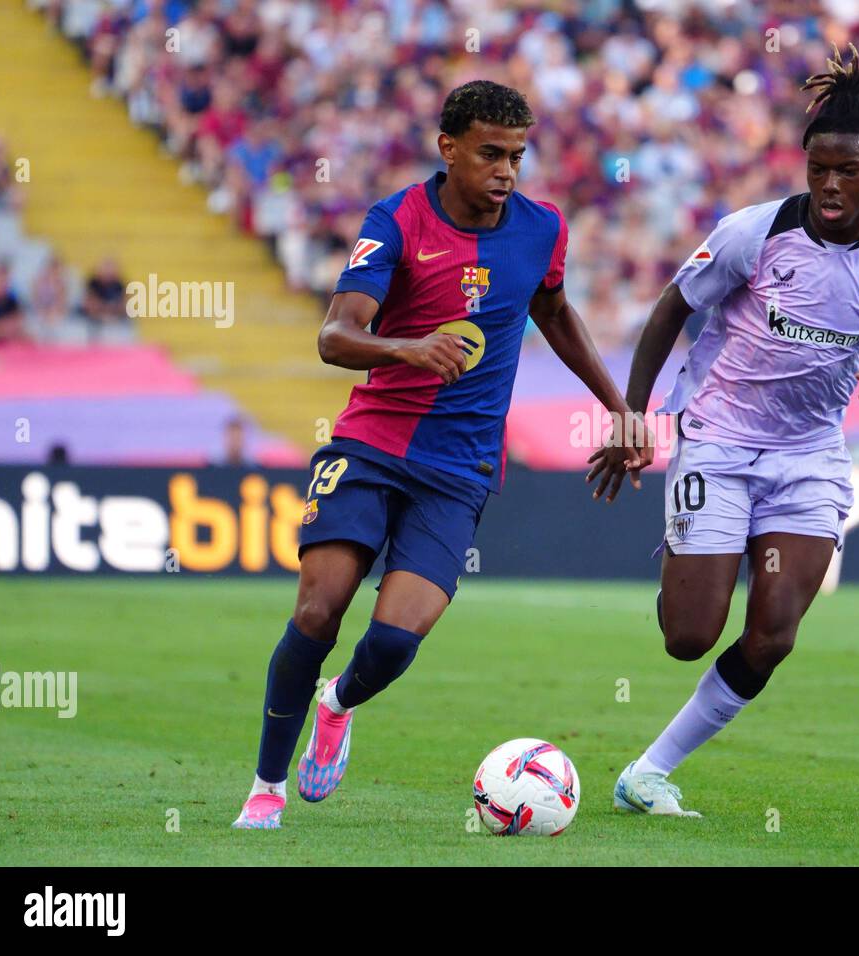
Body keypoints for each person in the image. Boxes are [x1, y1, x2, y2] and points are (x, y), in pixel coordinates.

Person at [232, 81, 641, 829]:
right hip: (372, 443)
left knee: (391, 640)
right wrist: (406, 347)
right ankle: (266, 787)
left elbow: (553, 311)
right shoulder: (396, 221)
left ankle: (338, 703)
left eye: (517, 155)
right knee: (320, 608)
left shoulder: (543, 228)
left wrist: (618, 407)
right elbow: (334, 335)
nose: (506, 171)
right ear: (448, 148)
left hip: (461, 467)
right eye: (490, 154)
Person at [588, 46, 859, 816]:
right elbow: (672, 308)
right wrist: (633, 414)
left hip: (809, 453)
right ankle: (694, 555)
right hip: (718, 436)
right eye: (819, 170)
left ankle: (649, 771)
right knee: (689, 636)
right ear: (805, 165)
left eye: (848, 171)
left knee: (773, 631)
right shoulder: (756, 231)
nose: (831, 187)